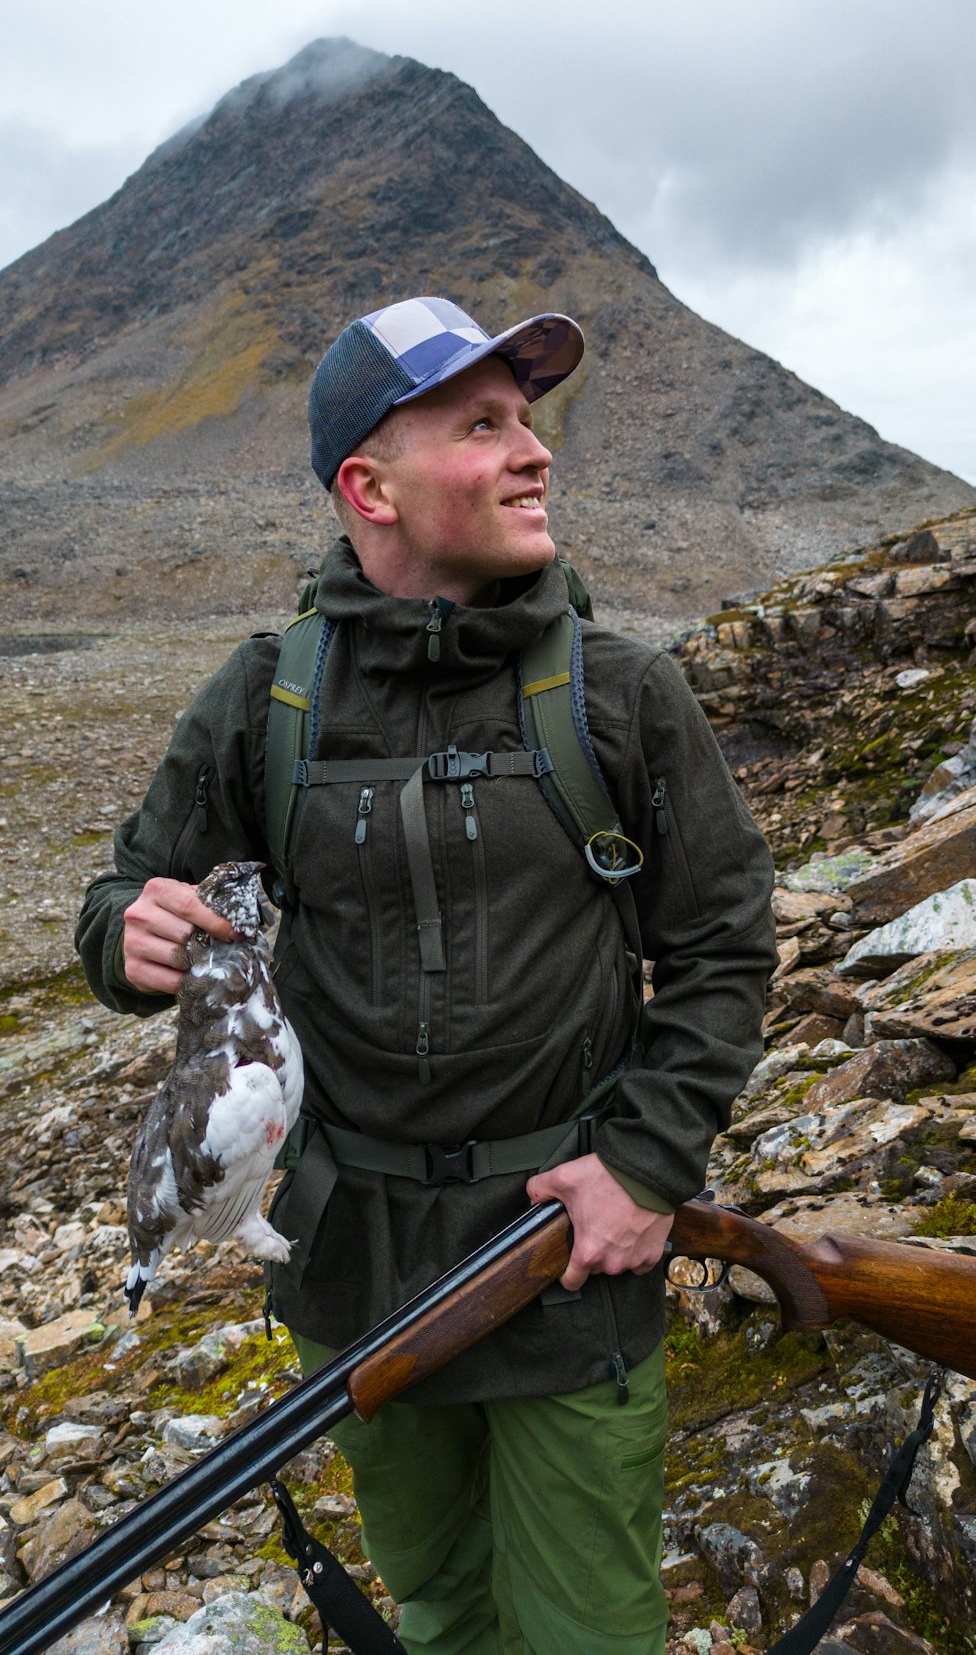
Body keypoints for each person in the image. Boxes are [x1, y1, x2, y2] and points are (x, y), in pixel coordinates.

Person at [77, 295, 776, 1655]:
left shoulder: (620, 694)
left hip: (567, 1269)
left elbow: (723, 942)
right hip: (361, 1275)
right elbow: (119, 897)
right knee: (447, 1614)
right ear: (369, 487)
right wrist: (127, 937)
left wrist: (646, 1164)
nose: (534, 452)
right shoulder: (267, 698)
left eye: (530, 421)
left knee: (590, 1631)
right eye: (482, 424)